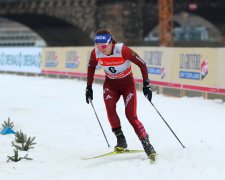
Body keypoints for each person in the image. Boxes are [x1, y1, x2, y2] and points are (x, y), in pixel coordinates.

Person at [85, 29, 156, 160]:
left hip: (127, 86)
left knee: (130, 115)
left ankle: (146, 143)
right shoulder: (95, 53)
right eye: (98, 46)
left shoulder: (123, 50)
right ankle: (121, 140)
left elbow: (142, 64)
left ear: (111, 42)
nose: (101, 49)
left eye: (104, 46)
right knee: (110, 108)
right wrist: (88, 88)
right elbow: (91, 68)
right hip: (111, 85)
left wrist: (146, 85)